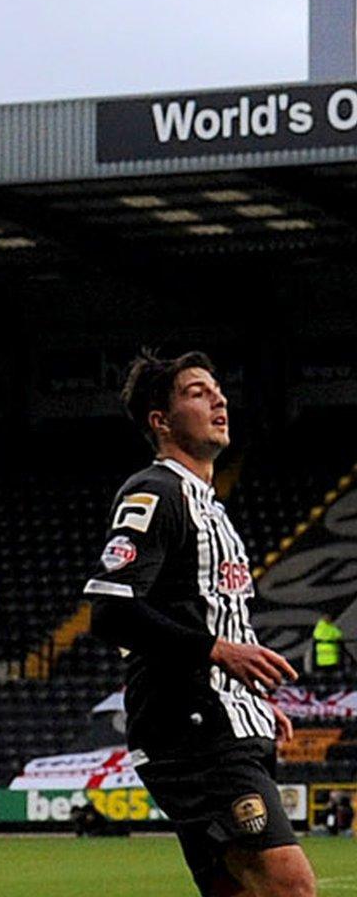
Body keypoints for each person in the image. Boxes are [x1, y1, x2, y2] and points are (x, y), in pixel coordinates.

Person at [84, 351, 313, 897]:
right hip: (193, 727)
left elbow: (204, 609)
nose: (219, 399)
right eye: (196, 391)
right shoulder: (156, 492)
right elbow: (111, 610)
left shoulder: (211, 507)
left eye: (218, 389)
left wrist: (247, 693)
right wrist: (219, 653)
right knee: (289, 887)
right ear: (160, 421)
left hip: (223, 716)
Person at [312, 614, 343, 679]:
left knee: (322, 672)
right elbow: (339, 635)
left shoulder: (318, 628)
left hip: (321, 654)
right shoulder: (332, 628)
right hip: (331, 652)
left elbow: (315, 635)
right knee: (332, 672)